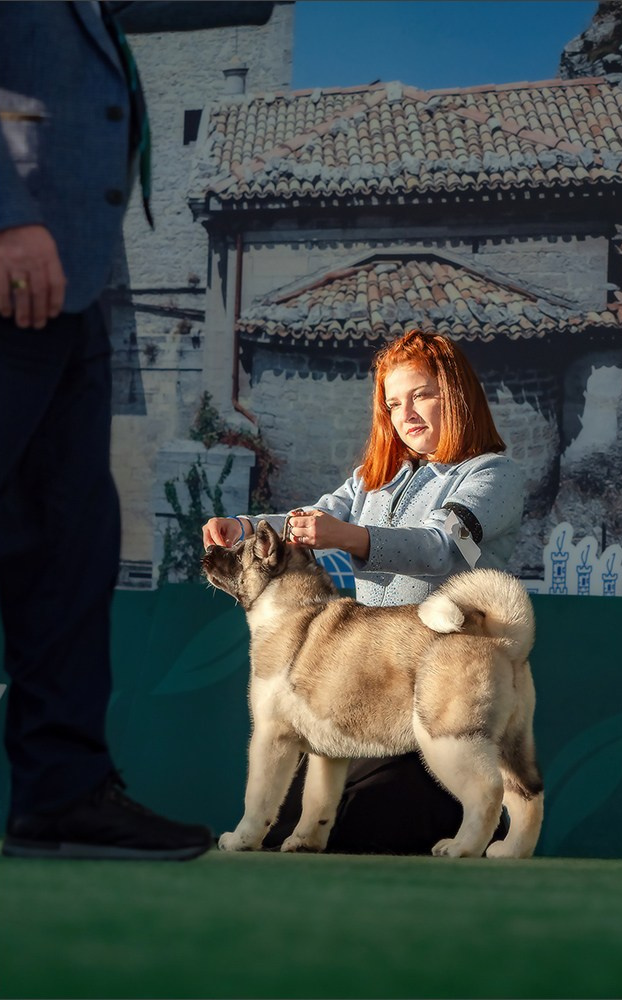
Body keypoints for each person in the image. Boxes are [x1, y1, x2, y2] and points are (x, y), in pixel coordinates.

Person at [0, 0, 274, 860]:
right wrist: (4, 214)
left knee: (69, 546)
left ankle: (63, 794)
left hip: (68, 293)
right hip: (11, 263)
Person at [202, 328, 525, 854]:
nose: (407, 413)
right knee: (289, 833)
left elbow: (441, 547)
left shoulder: (494, 474)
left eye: (422, 394)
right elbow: (309, 518)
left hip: (446, 685)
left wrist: (347, 538)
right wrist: (241, 527)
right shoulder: (372, 479)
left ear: (458, 395)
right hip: (363, 697)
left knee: (371, 826)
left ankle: (480, 817)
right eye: (394, 403)